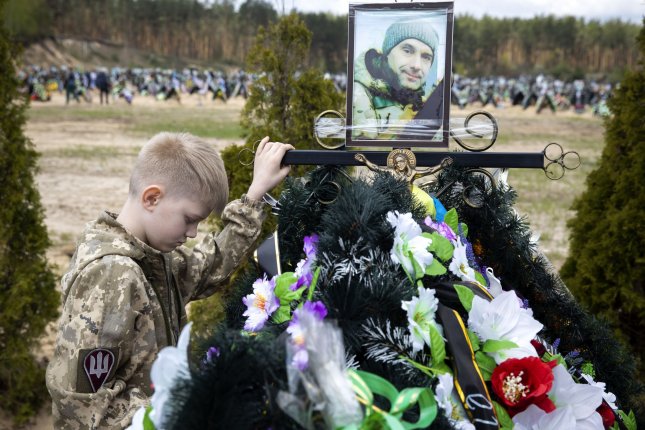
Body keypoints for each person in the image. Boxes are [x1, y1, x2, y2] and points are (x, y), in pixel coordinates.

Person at [46, 132, 293, 429]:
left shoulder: (151, 257)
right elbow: (82, 407)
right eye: (189, 219)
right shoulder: (112, 275)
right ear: (152, 198)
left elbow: (209, 266)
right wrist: (178, 411)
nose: (192, 233)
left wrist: (254, 195)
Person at [352, 18, 444, 140]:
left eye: (426, 57)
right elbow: (364, 149)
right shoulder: (359, 94)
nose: (417, 65)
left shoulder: (432, 99)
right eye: (407, 51)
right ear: (387, 53)